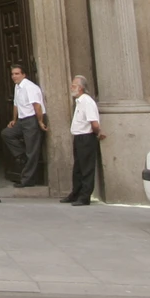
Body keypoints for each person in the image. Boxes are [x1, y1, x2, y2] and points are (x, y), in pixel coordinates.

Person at [2, 64, 48, 186]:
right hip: (21, 120)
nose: (14, 76)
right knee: (6, 133)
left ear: (23, 74)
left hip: (32, 119)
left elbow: (37, 105)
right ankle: (21, 155)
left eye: (17, 73)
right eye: (12, 74)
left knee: (32, 151)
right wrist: (13, 119)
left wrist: (40, 121)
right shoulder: (17, 87)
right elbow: (16, 104)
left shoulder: (30, 87)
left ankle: (27, 179)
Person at [63, 75, 104, 206]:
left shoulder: (87, 102)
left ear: (80, 88)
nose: (71, 88)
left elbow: (94, 123)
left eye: (74, 86)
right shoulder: (79, 101)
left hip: (86, 137)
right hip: (79, 137)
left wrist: (98, 133)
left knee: (86, 168)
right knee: (78, 168)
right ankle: (76, 193)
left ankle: (85, 196)